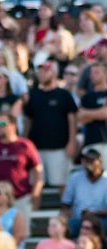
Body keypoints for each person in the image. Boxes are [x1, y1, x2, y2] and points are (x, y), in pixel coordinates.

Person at [25, 60, 78, 192]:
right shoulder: (34, 94)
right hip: (36, 147)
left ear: (54, 73)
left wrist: (72, 142)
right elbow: (28, 119)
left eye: (45, 71)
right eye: (40, 71)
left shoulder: (64, 95)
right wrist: (25, 142)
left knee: (62, 183)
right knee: (36, 183)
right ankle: (33, 212)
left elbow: (72, 119)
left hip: (59, 147)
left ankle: (65, 211)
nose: (41, 74)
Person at [60, 149, 107, 237]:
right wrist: (67, 215)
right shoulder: (75, 177)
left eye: (91, 161)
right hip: (79, 219)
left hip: (102, 219)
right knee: (67, 226)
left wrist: (94, 213)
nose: (87, 164)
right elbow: (66, 203)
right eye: (85, 161)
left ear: (100, 162)